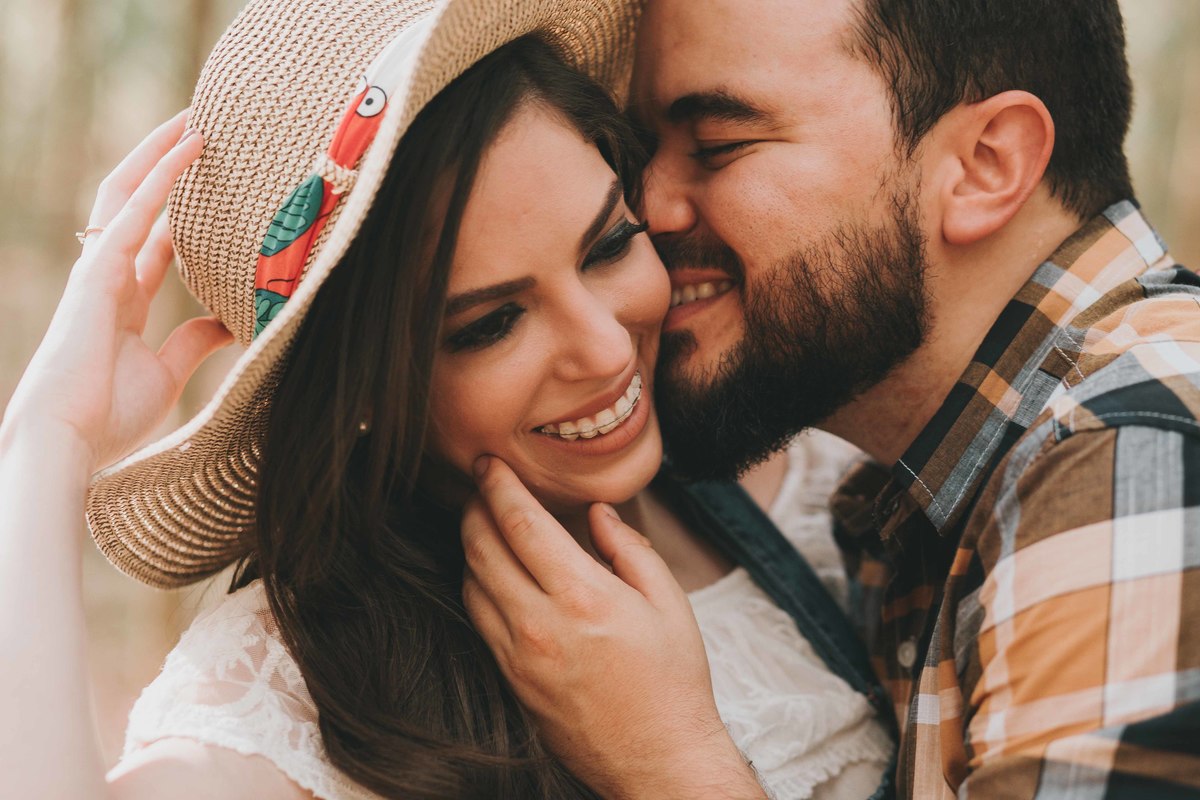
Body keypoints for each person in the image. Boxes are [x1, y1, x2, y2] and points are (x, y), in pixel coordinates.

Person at [0, 0, 895, 798]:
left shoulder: (794, 481)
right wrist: (47, 438)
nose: (605, 345)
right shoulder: (307, 691)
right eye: (491, 323)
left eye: (609, 246)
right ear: (365, 388)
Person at [461, 0, 1200, 797]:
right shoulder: (934, 490)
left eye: (718, 145)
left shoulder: (1126, 458)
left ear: (986, 164)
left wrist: (669, 763)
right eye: (641, 152)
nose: (650, 209)